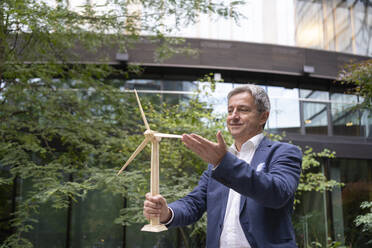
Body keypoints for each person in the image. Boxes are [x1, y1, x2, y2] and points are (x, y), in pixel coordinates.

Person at [143, 84, 302, 248]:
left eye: (243, 110)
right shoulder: (219, 163)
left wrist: (224, 162)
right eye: (230, 110)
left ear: (263, 117)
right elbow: (194, 203)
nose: (233, 116)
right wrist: (167, 213)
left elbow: (277, 193)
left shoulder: (284, 153)